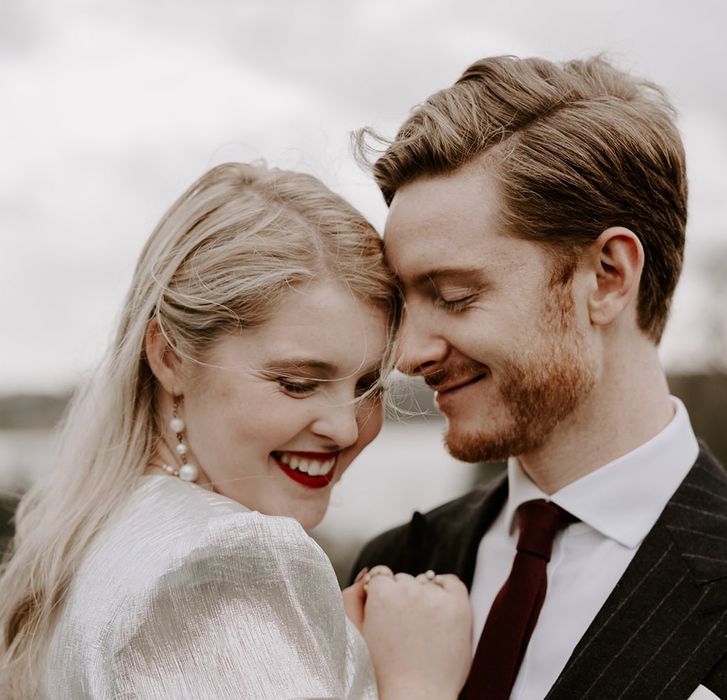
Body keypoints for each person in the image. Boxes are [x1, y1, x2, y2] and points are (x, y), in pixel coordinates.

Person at [351, 55, 727, 699]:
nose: (408, 354)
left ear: (607, 276)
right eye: (405, 305)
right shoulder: (396, 566)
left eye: (455, 295)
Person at [0, 162, 472, 699]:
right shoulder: (229, 564)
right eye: (296, 383)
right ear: (171, 357)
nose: (345, 428)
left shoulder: (101, 533)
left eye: (369, 386)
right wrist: (417, 682)